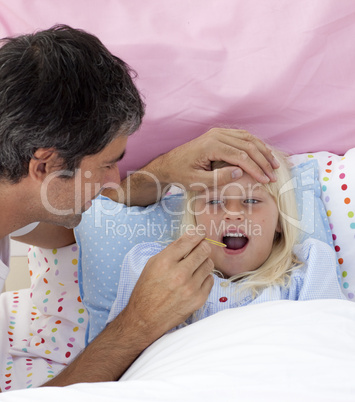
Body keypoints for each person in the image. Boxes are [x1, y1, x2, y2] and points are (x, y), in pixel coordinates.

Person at [0, 25, 280, 389]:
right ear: (45, 166)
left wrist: (163, 173)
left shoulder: (21, 201)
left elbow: (76, 224)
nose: (114, 180)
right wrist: (139, 321)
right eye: (107, 163)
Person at [107, 146, 346, 330]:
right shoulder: (154, 268)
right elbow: (124, 356)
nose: (233, 214)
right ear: (194, 218)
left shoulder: (306, 271)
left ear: (280, 222)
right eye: (214, 201)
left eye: (251, 201)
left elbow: (328, 348)